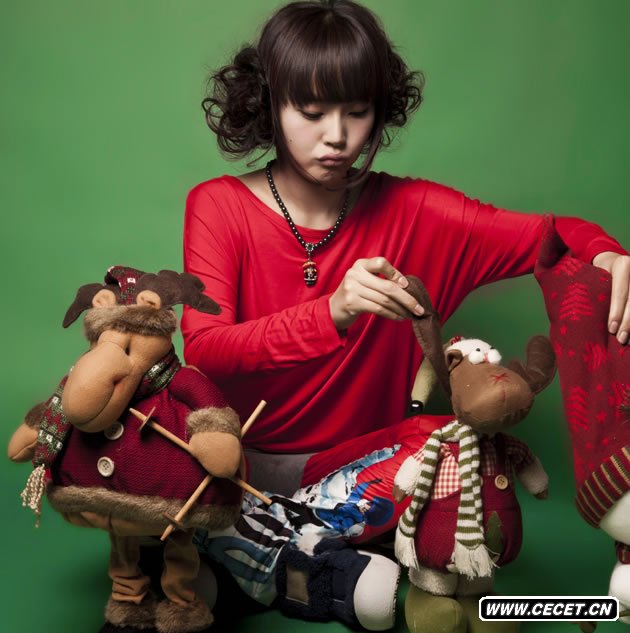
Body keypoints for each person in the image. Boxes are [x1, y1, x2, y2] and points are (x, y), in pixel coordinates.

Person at [180, 0, 630, 629]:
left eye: (356, 111)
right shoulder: (217, 205)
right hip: (237, 464)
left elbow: (554, 236)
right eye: (310, 112)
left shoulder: (417, 211)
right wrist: (332, 311)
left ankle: (253, 555)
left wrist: (607, 254)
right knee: (161, 454)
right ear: (269, 104)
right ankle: (304, 557)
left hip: (360, 472)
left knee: (453, 446)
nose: (337, 136)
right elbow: (204, 348)